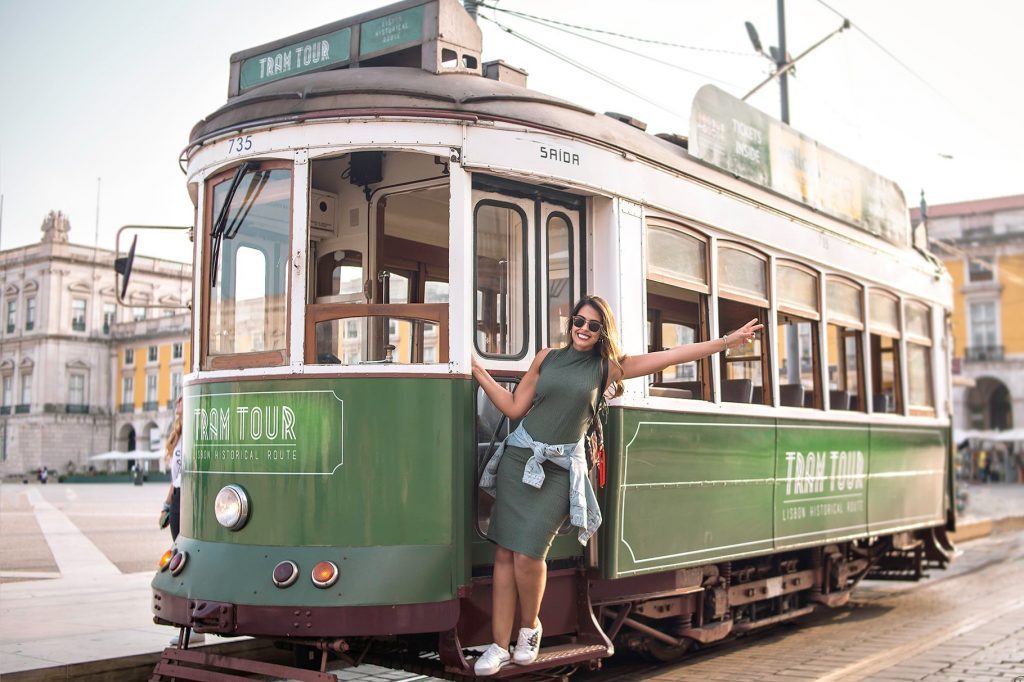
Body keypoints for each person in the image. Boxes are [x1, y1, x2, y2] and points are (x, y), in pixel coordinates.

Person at [471, 295, 761, 675]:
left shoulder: (607, 369)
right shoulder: (546, 358)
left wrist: (724, 342)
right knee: (505, 556)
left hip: (559, 472)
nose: (583, 329)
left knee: (528, 555)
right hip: (518, 461)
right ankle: (497, 645)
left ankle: (529, 628)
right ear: (570, 322)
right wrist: (476, 370)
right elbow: (513, 407)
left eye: (593, 325)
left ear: (602, 331)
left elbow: (671, 355)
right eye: (579, 321)